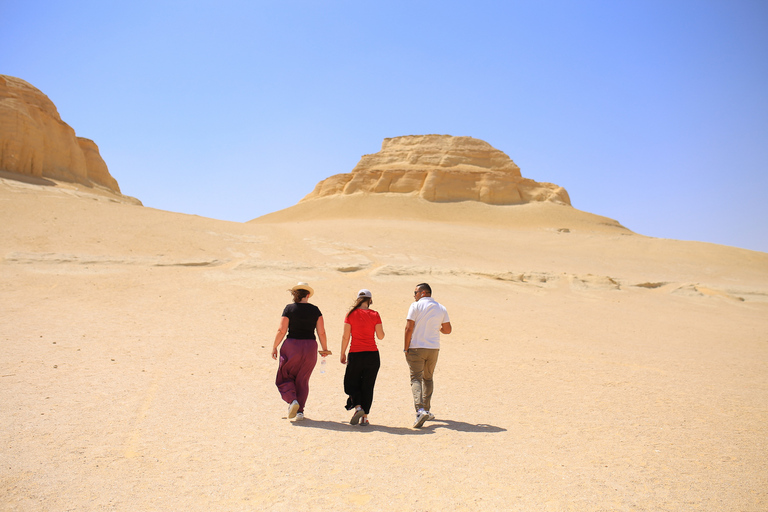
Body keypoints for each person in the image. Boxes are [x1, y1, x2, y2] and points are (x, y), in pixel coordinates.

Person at [272, 282, 331, 421]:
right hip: (310, 346)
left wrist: (274, 346)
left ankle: (292, 401)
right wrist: (324, 349)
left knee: (284, 376)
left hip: (292, 345)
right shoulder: (315, 310)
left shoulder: (289, 308)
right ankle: (299, 412)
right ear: (308, 295)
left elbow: (281, 330)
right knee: (302, 380)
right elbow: (321, 332)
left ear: (294, 295)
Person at [403, 282, 451, 428]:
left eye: (416, 292)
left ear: (423, 293)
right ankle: (427, 410)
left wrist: (406, 348)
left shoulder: (415, 306)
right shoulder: (441, 308)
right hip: (433, 348)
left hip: (416, 347)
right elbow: (447, 330)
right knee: (428, 378)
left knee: (416, 378)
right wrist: (436, 327)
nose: (414, 295)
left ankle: (420, 410)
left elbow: (409, 327)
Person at [340, 289, 385, 426]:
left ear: (358, 299)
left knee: (351, 383)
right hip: (372, 355)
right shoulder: (375, 314)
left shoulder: (351, 314)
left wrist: (342, 353)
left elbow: (346, 336)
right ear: (370, 300)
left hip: (356, 354)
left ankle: (358, 407)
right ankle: (365, 417)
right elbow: (381, 336)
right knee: (368, 386)